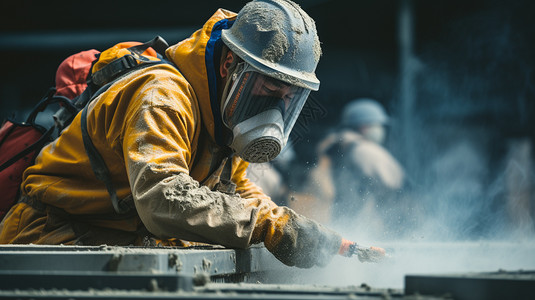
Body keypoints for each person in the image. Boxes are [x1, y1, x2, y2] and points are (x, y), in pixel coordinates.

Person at [0, 0, 384, 268]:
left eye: (287, 97)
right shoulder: (163, 95)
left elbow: (238, 193)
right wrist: (271, 228)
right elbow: (163, 196)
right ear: (230, 65)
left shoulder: (221, 115)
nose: (274, 109)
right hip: (50, 241)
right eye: (267, 91)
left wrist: (314, 236)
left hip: (107, 241)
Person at [300, 98, 407, 237]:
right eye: (378, 125)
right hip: (361, 228)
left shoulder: (336, 146)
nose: (380, 130)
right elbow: (397, 182)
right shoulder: (363, 149)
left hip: (339, 224)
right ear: (364, 126)